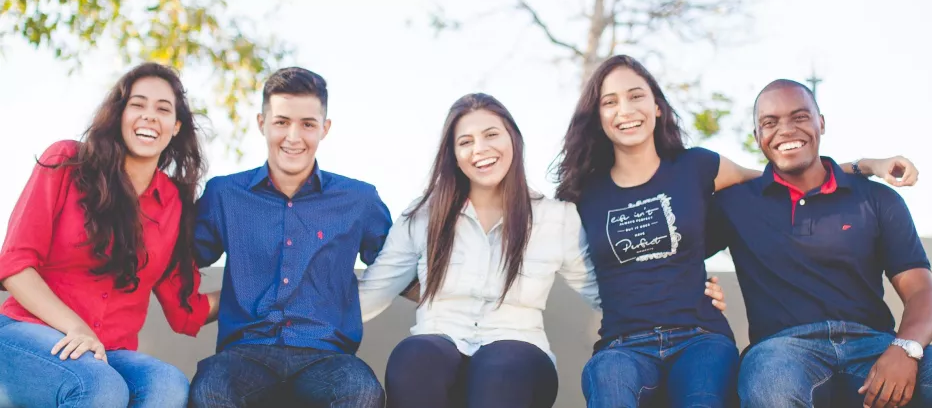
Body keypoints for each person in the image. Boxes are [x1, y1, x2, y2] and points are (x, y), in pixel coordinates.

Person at [553, 55, 918, 407]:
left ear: (657, 106)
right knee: (608, 377)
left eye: (636, 96)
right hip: (624, 343)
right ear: (597, 115)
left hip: (699, 337)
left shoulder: (698, 165)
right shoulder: (584, 193)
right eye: (610, 101)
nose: (626, 110)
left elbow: (786, 173)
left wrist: (866, 164)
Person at [356, 93, 728, 408]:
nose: (480, 149)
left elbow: (609, 292)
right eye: (465, 141)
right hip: (438, 338)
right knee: (415, 357)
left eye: (491, 135)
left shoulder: (556, 218)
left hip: (518, 348)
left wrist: (686, 291)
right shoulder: (422, 217)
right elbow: (372, 293)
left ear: (513, 140)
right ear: (453, 154)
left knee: (500, 367)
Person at [707, 79, 932, 408]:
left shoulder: (876, 199)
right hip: (782, 350)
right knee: (772, 388)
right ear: (758, 136)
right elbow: (670, 255)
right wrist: (701, 286)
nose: (785, 130)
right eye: (769, 123)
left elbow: (921, 291)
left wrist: (906, 349)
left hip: (874, 346)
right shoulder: (735, 204)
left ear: (821, 123)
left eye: (799, 117)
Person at [0, 62, 219, 408]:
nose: (149, 116)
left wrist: (254, 289)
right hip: (25, 334)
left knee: (168, 386)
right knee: (101, 388)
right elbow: (14, 265)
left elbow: (185, 310)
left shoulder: (173, 204)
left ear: (175, 127)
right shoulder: (67, 162)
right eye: (138, 104)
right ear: (119, 115)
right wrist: (76, 327)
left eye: (162, 109)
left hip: (108, 353)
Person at [187, 67, 389, 408]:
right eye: (281, 122)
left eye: (308, 124)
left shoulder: (359, 200)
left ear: (324, 129)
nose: (293, 136)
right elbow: (178, 257)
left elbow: (400, 265)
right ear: (261, 122)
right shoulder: (224, 194)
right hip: (244, 355)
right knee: (209, 389)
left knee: (362, 391)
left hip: (326, 357)